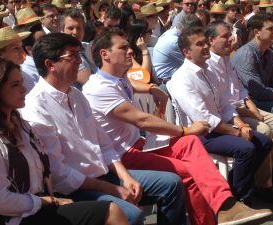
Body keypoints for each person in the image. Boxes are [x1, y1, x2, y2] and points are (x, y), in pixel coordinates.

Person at [82, 27, 272, 225]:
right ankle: (210, 220)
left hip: (140, 144)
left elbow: (129, 84)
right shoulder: (98, 89)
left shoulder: (118, 77)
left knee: (189, 143)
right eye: (123, 48)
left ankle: (227, 205)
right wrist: (185, 130)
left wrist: (151, 88)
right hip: (123, 156)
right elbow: (142, 120)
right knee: (189, 169)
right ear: (105, 55)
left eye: (129, 47)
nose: (131, 51)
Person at [20, 33, 185, 225]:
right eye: (72, 56)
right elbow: (60, 174)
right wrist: (112, 189)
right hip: (77, 189)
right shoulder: (36, 107)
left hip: (104, 174)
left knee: (171, 185)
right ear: (50, 65)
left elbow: (104, 144)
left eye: (79, 55)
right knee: (133, 214)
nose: (79, 61)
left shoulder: (76, 96)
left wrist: (125, 177)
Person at [0, 58, 130, 225]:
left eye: (22, 83)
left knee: (113, 211)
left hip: (39, 206)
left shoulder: (20, 124)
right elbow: (2, 201)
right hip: (13, 218)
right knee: (111, 212)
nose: (23, 89)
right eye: (14, 85)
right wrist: (48, 201)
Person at [168, 24, 272, 205]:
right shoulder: (182, 79)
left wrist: (241, 125)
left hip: (218, 127)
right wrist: (237, 133)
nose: (206, 46)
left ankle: (237, 186)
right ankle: (241, 199)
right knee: (245, 148)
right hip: (200, 135)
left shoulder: (208, 71)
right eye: (200, 44)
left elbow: (225, 105)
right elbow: (204, 120)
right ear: (187, 52)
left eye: (205, 42)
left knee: (265, 142)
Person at [206, 20, 273, 203]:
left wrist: (251, 106)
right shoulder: (213, 64)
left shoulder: (228, 59)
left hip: (240, 106)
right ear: (211, 41)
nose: (231, 39)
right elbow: (223, 105)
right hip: (229, 112)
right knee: (265, 130)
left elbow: (241, 90)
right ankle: (259, 183)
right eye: (226, 36)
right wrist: (239, 123)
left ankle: (260, 176)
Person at [232, 13, 273, 115]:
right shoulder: (246, 55)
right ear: (256, 32)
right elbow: (258, 93)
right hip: (248, 103)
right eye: (270, 29)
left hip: (263, 98)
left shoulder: (269, 53)